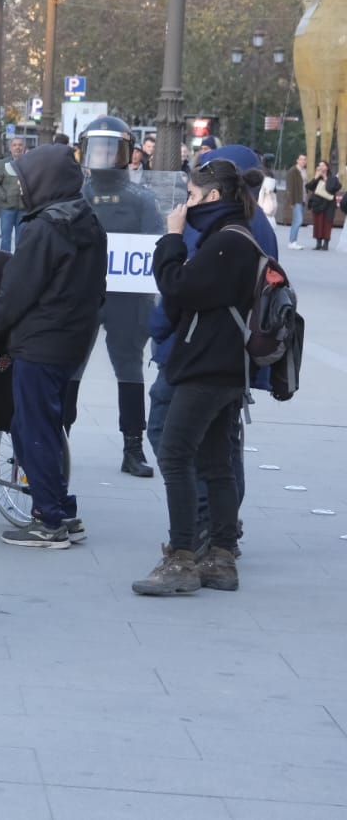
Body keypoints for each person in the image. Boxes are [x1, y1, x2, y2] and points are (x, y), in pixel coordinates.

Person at [132, 158, 266, 596]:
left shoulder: (227, 242)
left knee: (174, 455)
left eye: (190, 196)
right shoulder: (232, 236)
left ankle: (183, 558)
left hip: (208, 367)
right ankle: (221, 557)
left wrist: (171, 238)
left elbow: (178, 286)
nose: (184, 204)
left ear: (212, 197)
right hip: (225, 365)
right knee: (213, 461)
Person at [0, 143, 107, 549]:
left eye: (26, 181)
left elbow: (17, 293)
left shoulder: (43, 229)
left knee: (32, 429)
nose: (22, 189)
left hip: (40, 341)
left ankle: (49, 519)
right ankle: (63, 508)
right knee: (44, 425)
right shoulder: (88, 221)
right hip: (72, 339)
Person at [77, 117, 162, 480]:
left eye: (111, 148)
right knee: (70, 367)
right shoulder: (78, 194)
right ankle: (57, 437)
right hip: (84, 294)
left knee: (129, 370)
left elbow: (155, 244)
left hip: (127, 298)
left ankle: (133, 446)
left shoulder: (141, 198)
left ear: (126, 152)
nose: (104, 155)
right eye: (98, 148)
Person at [0, 137, 26, 250]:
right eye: (14, 145)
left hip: (24, 209)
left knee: (22, 239)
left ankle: (19, 264)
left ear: (24, 147)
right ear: (10, 148)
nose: (17, 147)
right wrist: (4, 197)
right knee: (5, 238)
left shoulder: (29, 163)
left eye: (20, 145)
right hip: (7, 208)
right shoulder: (3, 164)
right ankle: (4, 262)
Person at [306, 159, 340, 250]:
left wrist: (325, 178)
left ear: (327, 167)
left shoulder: (333, 178)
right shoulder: (317, 177)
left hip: (328, 205)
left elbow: (330, 189)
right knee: (318, 223)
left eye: (323, 165)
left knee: (327, 223)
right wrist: (316, 177)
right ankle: (318, 243)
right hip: (318, 204)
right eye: (319, 165)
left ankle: (326, 243)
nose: (321, 167)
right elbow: (309, 187)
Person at [284, 152, 309, 250]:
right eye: (301, 159)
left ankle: (293, 241)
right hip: (296, 199)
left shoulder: (304, 171)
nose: (303, 161)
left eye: (304, 159)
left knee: (296, 221)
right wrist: (291, 201)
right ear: (297, 160)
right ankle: (292, 241)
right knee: (298, 220)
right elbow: (289, 187)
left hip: (302, 199)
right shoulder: (293, 171)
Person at [258, 152, 278, 219]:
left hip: (260, 197)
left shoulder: (259, 170)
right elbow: (273, 189)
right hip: (266, 198)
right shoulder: (268, 172)